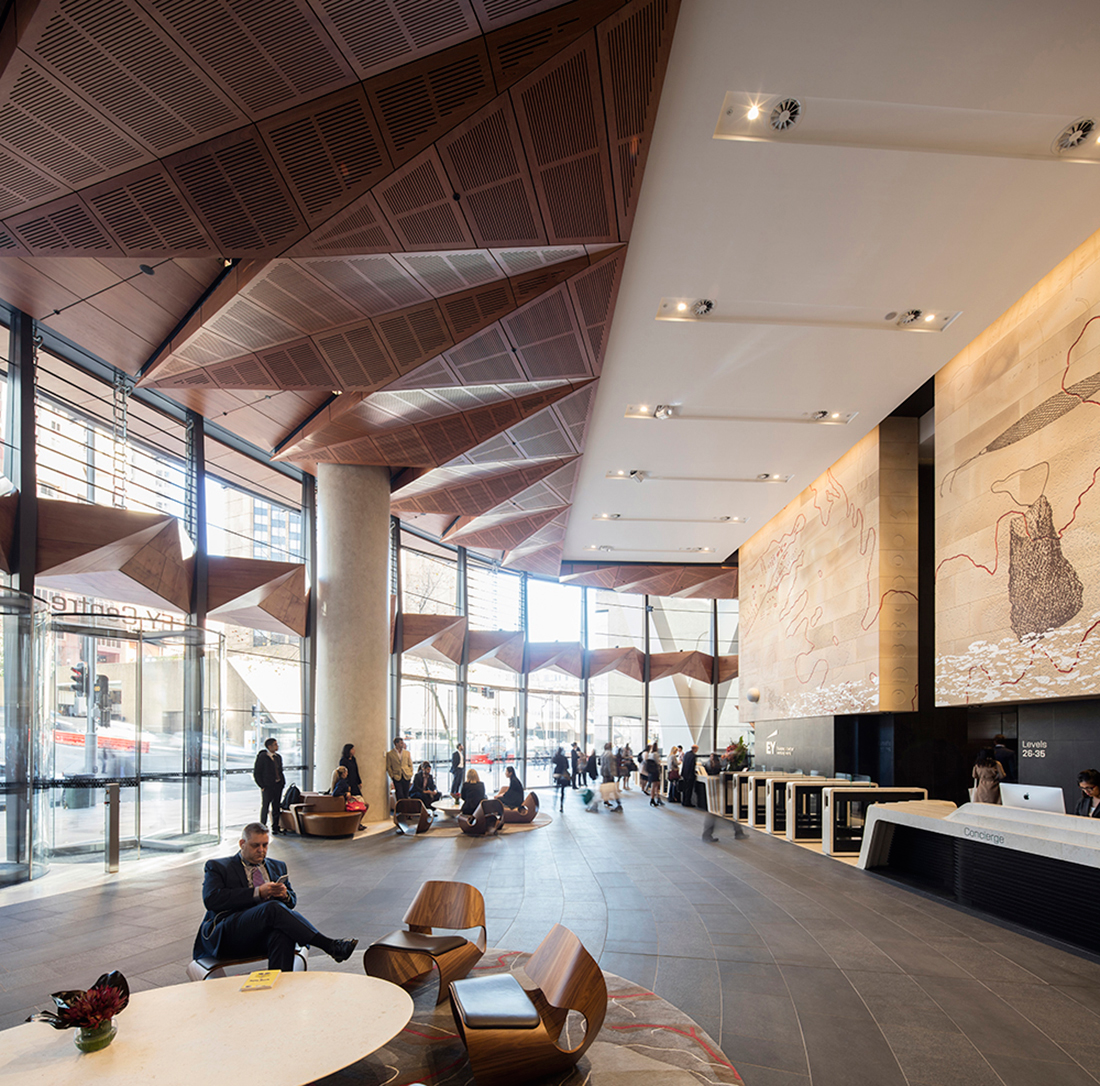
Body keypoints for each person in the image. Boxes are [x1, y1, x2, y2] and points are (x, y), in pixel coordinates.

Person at [192, 822, 357, 971]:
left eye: (265, 845)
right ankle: (329, 945)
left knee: (283, 933)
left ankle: (280, 986)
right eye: (255, 845)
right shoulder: (218, 867)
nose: (261, 850)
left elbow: (291, 902)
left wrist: (285, 895)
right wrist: (258, 892)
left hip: (261, 932)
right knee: (271, 908)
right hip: (230, 933)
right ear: (242, 844)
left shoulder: (277, 866)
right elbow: (211, 900)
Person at [253, 737, 285, 834]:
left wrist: (282, 783)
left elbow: (280, 770)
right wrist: (262, 785)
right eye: (275, 744)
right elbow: (257, 772)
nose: (277, 746)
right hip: (267, 786)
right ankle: (262, 827)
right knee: (265, 806)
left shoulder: (278, 757)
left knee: (276, 806)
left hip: (278, 785)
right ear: (269, 746)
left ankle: (276, 827)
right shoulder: (263, 757)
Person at [600, 742, 622, 810]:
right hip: (609, 774)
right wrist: (613, 774)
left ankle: (606, 800)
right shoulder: (610, 755)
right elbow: (610, 766)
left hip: (604, 774)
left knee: (605, 789)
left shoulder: (603, 754)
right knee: (613, 789)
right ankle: (619, 804)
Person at [552, 745, 570, 811]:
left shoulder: (556, 757)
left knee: (557, 789)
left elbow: (553, 761)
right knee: (562, 791)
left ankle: (554, 803)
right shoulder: (564, 758)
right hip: (563, 775)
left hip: (557, 774)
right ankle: (561, 805)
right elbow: (567, 766)